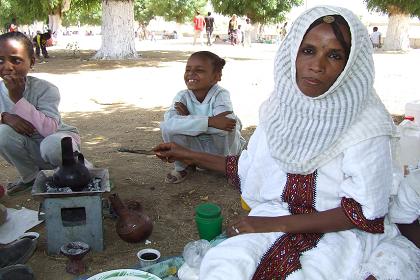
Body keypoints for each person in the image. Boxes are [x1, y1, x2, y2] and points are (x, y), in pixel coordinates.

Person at [154, 6, 420, 279]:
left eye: (334, 55)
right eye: (308, 50)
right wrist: (184, 153)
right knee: (223, 267)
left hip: (340, 234)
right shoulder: (279, 109)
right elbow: (246, 167)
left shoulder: (367, 124)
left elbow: (362, 213)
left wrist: (269, 225)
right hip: (274, 215)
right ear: (292, 52)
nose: (317, 66)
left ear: (352, 64)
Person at [0, 32, 85, 194]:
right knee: (1, 133)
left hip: (58, 146)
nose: (7, 67)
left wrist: (18, 100)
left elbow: (49, 130)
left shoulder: (46, 89)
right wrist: (5, 117)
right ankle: (31, 178)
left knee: (53, 145)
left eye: (16, 60)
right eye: (0, 60)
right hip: (31, 149)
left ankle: (77, 169)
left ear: (31, 62)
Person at [159, 51, 245, 184]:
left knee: (227, 130)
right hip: (198, 145)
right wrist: (210, 121)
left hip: (221, 149)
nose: (191, 74)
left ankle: (230, 167)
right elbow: (169, 125)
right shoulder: (182, 97)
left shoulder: (221, 95)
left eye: (199, 70)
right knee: (170, 130)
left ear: (216, 76)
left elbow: (225, 125)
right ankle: (184, 166)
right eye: (188, 69)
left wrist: (188, 121)